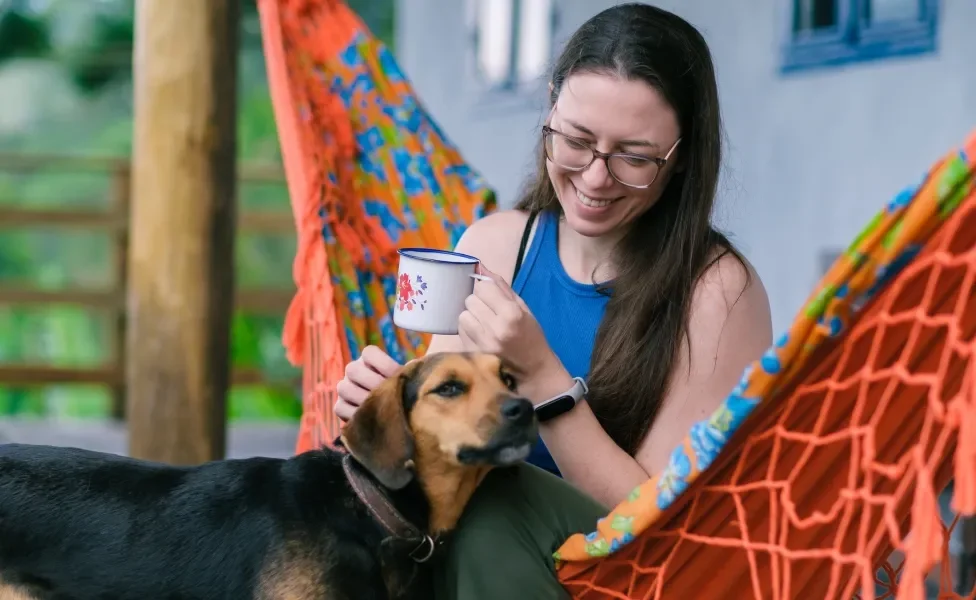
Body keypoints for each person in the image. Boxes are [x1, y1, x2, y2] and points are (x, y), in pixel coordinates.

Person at [334, 3, 774, 598]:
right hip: (467, 573)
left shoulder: (719, 293)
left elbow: (668, 532)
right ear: (550, 108)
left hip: (626, 582)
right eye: (576, 139)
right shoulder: (492, 247)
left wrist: (543, 377)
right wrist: (381, 416)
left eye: (635, 156)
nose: (596, 178)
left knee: (493, 496)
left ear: (683, 157)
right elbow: (438, 453)